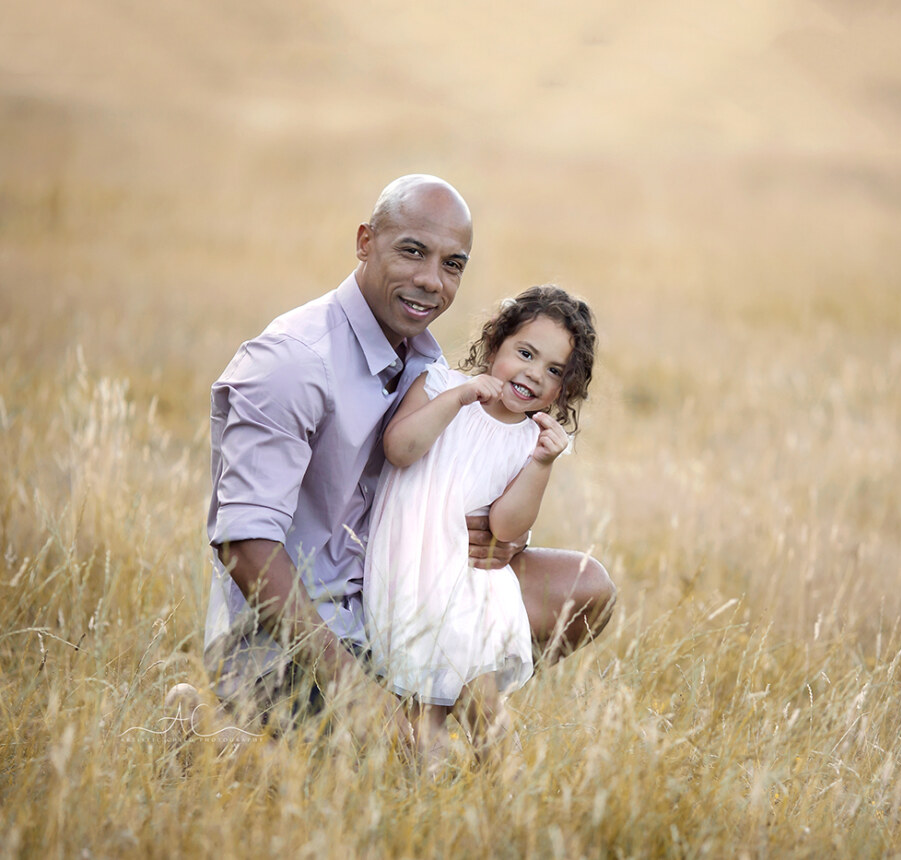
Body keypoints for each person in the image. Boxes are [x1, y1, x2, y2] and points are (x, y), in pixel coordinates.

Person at [196, 175, 615, 744]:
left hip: (404, 599)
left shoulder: (425, 362)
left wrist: (500, 540)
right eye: (412, 251)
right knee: (385, 770)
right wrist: (354, 692)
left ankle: (424, 714)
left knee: (585, 587)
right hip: (302, 634)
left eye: (452, 264)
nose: (431, 281)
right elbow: (244, 544)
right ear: (365, 242)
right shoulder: (292, 363)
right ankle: (208, 729)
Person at [365, 285, 596, 760]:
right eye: (525, 353)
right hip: (407, 571)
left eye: (554, 371)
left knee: (481, 700)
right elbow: (400, 449)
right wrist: (458, 398)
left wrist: (541, 464)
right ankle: (431, 768)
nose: (534, 374)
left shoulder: (528, 440)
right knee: (420, 713)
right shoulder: (439, 385)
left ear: (564, 389)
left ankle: (506, 786)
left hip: (468, 586)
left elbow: (507, 529)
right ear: (495, 345)